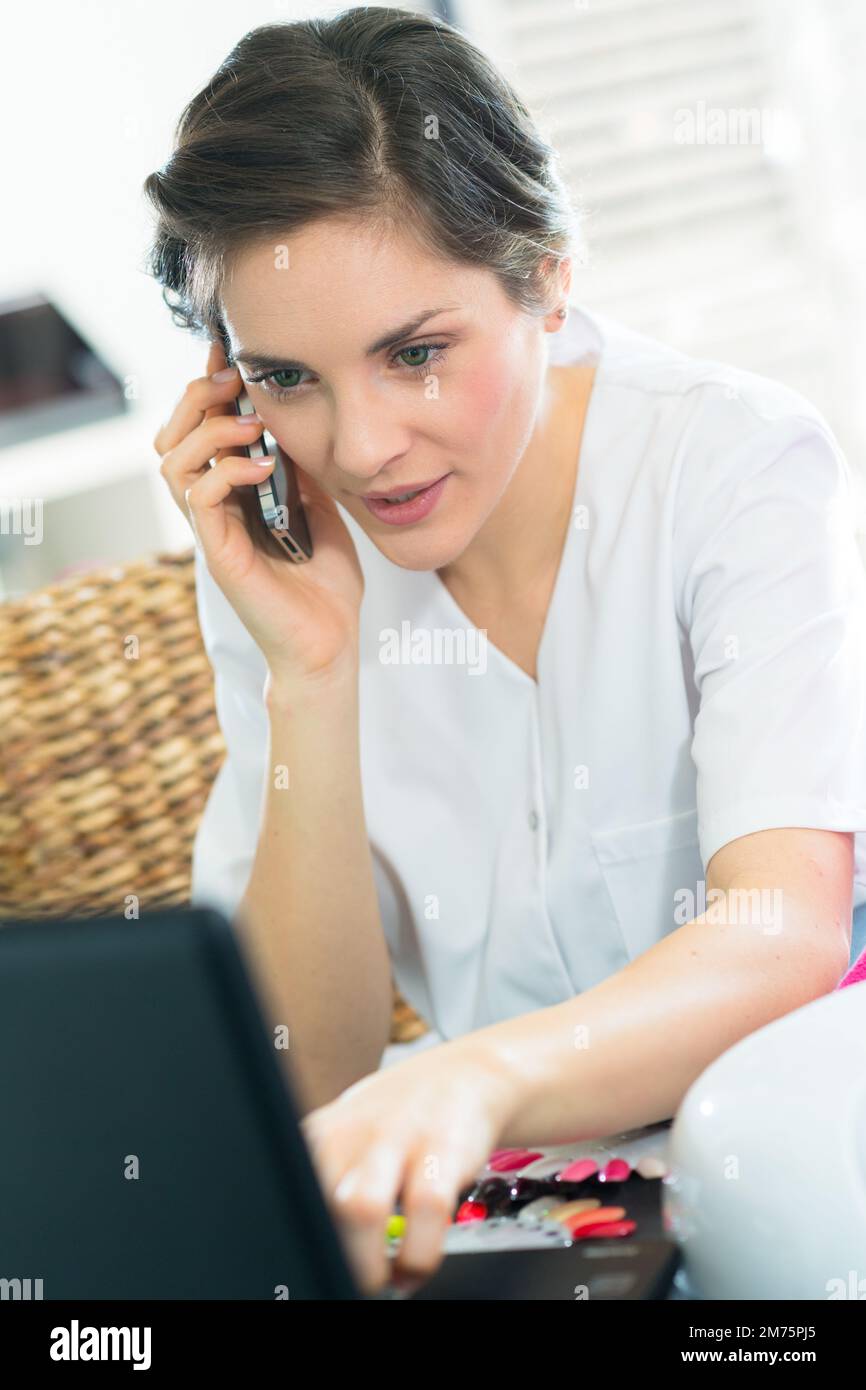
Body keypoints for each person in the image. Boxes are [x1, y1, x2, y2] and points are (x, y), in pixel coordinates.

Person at [145, 7, 866, 1295]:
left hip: (808, 1178)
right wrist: (312, 676)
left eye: (415, 355)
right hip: (549, 1232)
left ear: (546, 277)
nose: (361, 449)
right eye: (286, 379)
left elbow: (780, 932)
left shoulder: (731, 464)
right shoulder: (287, 556)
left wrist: (475, 1076)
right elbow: (302, 1063)